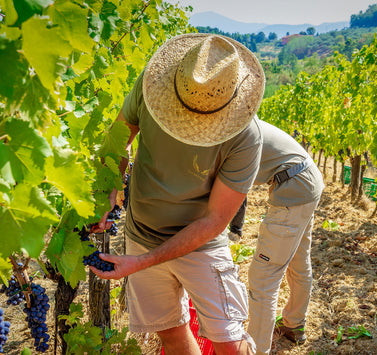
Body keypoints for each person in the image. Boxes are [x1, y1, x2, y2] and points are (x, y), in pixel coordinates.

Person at [90, 33, 266, 355]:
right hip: (141, 233)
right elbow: (117, 142)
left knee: (230, 343)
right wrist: (107, 191)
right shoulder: (150, 85)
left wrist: (144, 261)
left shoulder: (245, 138)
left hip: (200, 242)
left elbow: (215, 221)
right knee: (171, 334)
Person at [228, 119, 324, 355]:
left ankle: (257, 350)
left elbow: (236, 191)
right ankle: (293, 324)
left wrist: (230, 230)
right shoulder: (239, 123)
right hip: (306, 180)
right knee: (299, 260)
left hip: (294, 188)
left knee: (263, 276)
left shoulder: (231, 134)